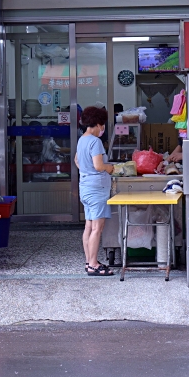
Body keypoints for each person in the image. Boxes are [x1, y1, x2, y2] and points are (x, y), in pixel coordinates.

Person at [76, 106, 115, 276]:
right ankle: (93, 264)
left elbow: (77, 160)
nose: (103, 128)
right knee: (97, 228)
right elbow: (99, 166)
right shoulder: (95, 141)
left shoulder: (82, 140)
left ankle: (89, 260)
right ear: (98, 124)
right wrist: (110, 168)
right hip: (96, 189)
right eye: (103, 124)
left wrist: (86, 171)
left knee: (89, 226)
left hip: (85, 186)